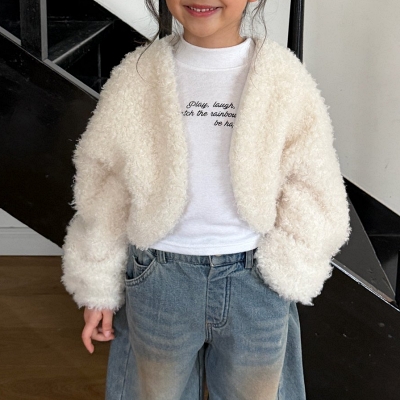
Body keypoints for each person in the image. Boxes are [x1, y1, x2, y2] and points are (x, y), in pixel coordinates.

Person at [61, 0, 351, 399]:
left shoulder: (283, 77)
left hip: (255, 282)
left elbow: (313, 180)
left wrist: (293, 264)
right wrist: (97, 285)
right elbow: (104, 187)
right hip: (159, 279)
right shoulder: (137, 75)